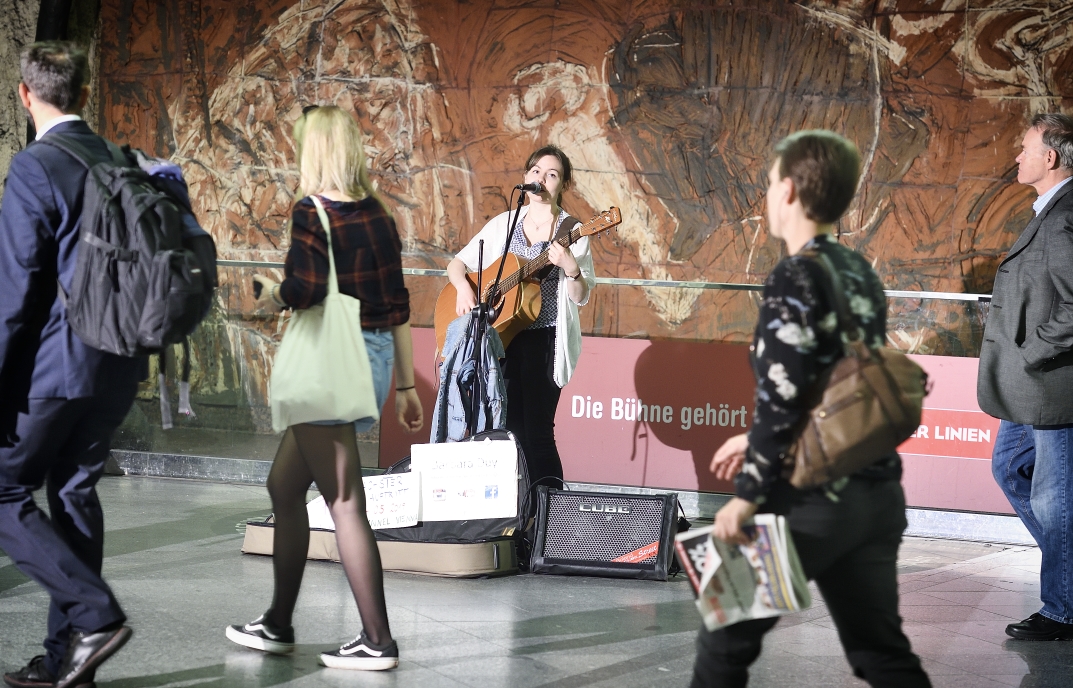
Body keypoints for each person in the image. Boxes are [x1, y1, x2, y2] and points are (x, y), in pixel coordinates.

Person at [694, 131, 931, 688]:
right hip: (874, 496)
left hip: (805, 503)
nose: (768, 193)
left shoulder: (792, 275)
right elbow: (832, 384)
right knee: (883, 655)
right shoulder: (858, 271)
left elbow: (783, 398)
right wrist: (753, 440)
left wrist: (746, 499)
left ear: (792, 191)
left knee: (723, 643)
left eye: (772, 182)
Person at [225, 105, 424, 671]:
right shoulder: (380, 215)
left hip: (333, 363)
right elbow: (398, 306)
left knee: (342, 500)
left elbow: (307, 289)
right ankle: (277, 623)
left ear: (314, 150)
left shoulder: (312, 212)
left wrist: (272, 293)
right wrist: (406, 386)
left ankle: (377, 639)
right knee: (284, 486)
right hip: (374, 358)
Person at [0, 42, 148, 688]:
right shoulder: (119, 160)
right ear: (85, 95)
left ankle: (94, 616)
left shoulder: (36, 168)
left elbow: (14, 293)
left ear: (25, 95)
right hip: (117, 365)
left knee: (2, 490)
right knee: (73, 493)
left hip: (57, 367)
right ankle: (70, 663)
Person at [445, 145, 595, 487]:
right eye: (536, 171)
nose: (541, 178)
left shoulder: (572, 229)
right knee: (506, 431)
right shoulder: (504, 224)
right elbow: (457, 264)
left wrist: (571, 269)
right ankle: (516, 519)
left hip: (545, 339)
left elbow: (581, 296)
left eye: (552, 174)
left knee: (538, 433)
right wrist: (464, 289)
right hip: (501, 339)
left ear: (563, 185)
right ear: (526, 178)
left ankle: (548, 520)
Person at [978, 113, 1073, 641]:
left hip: (1052, 384)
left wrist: (1032, 351)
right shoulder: (1050, 211)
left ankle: (1063, 610)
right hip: (1030, 386)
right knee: (1011, 468)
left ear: (1051, 158)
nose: (1017, 157)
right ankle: (1070, 576)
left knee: (1055, 499)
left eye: (1025, 148)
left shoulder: (1065, 217)